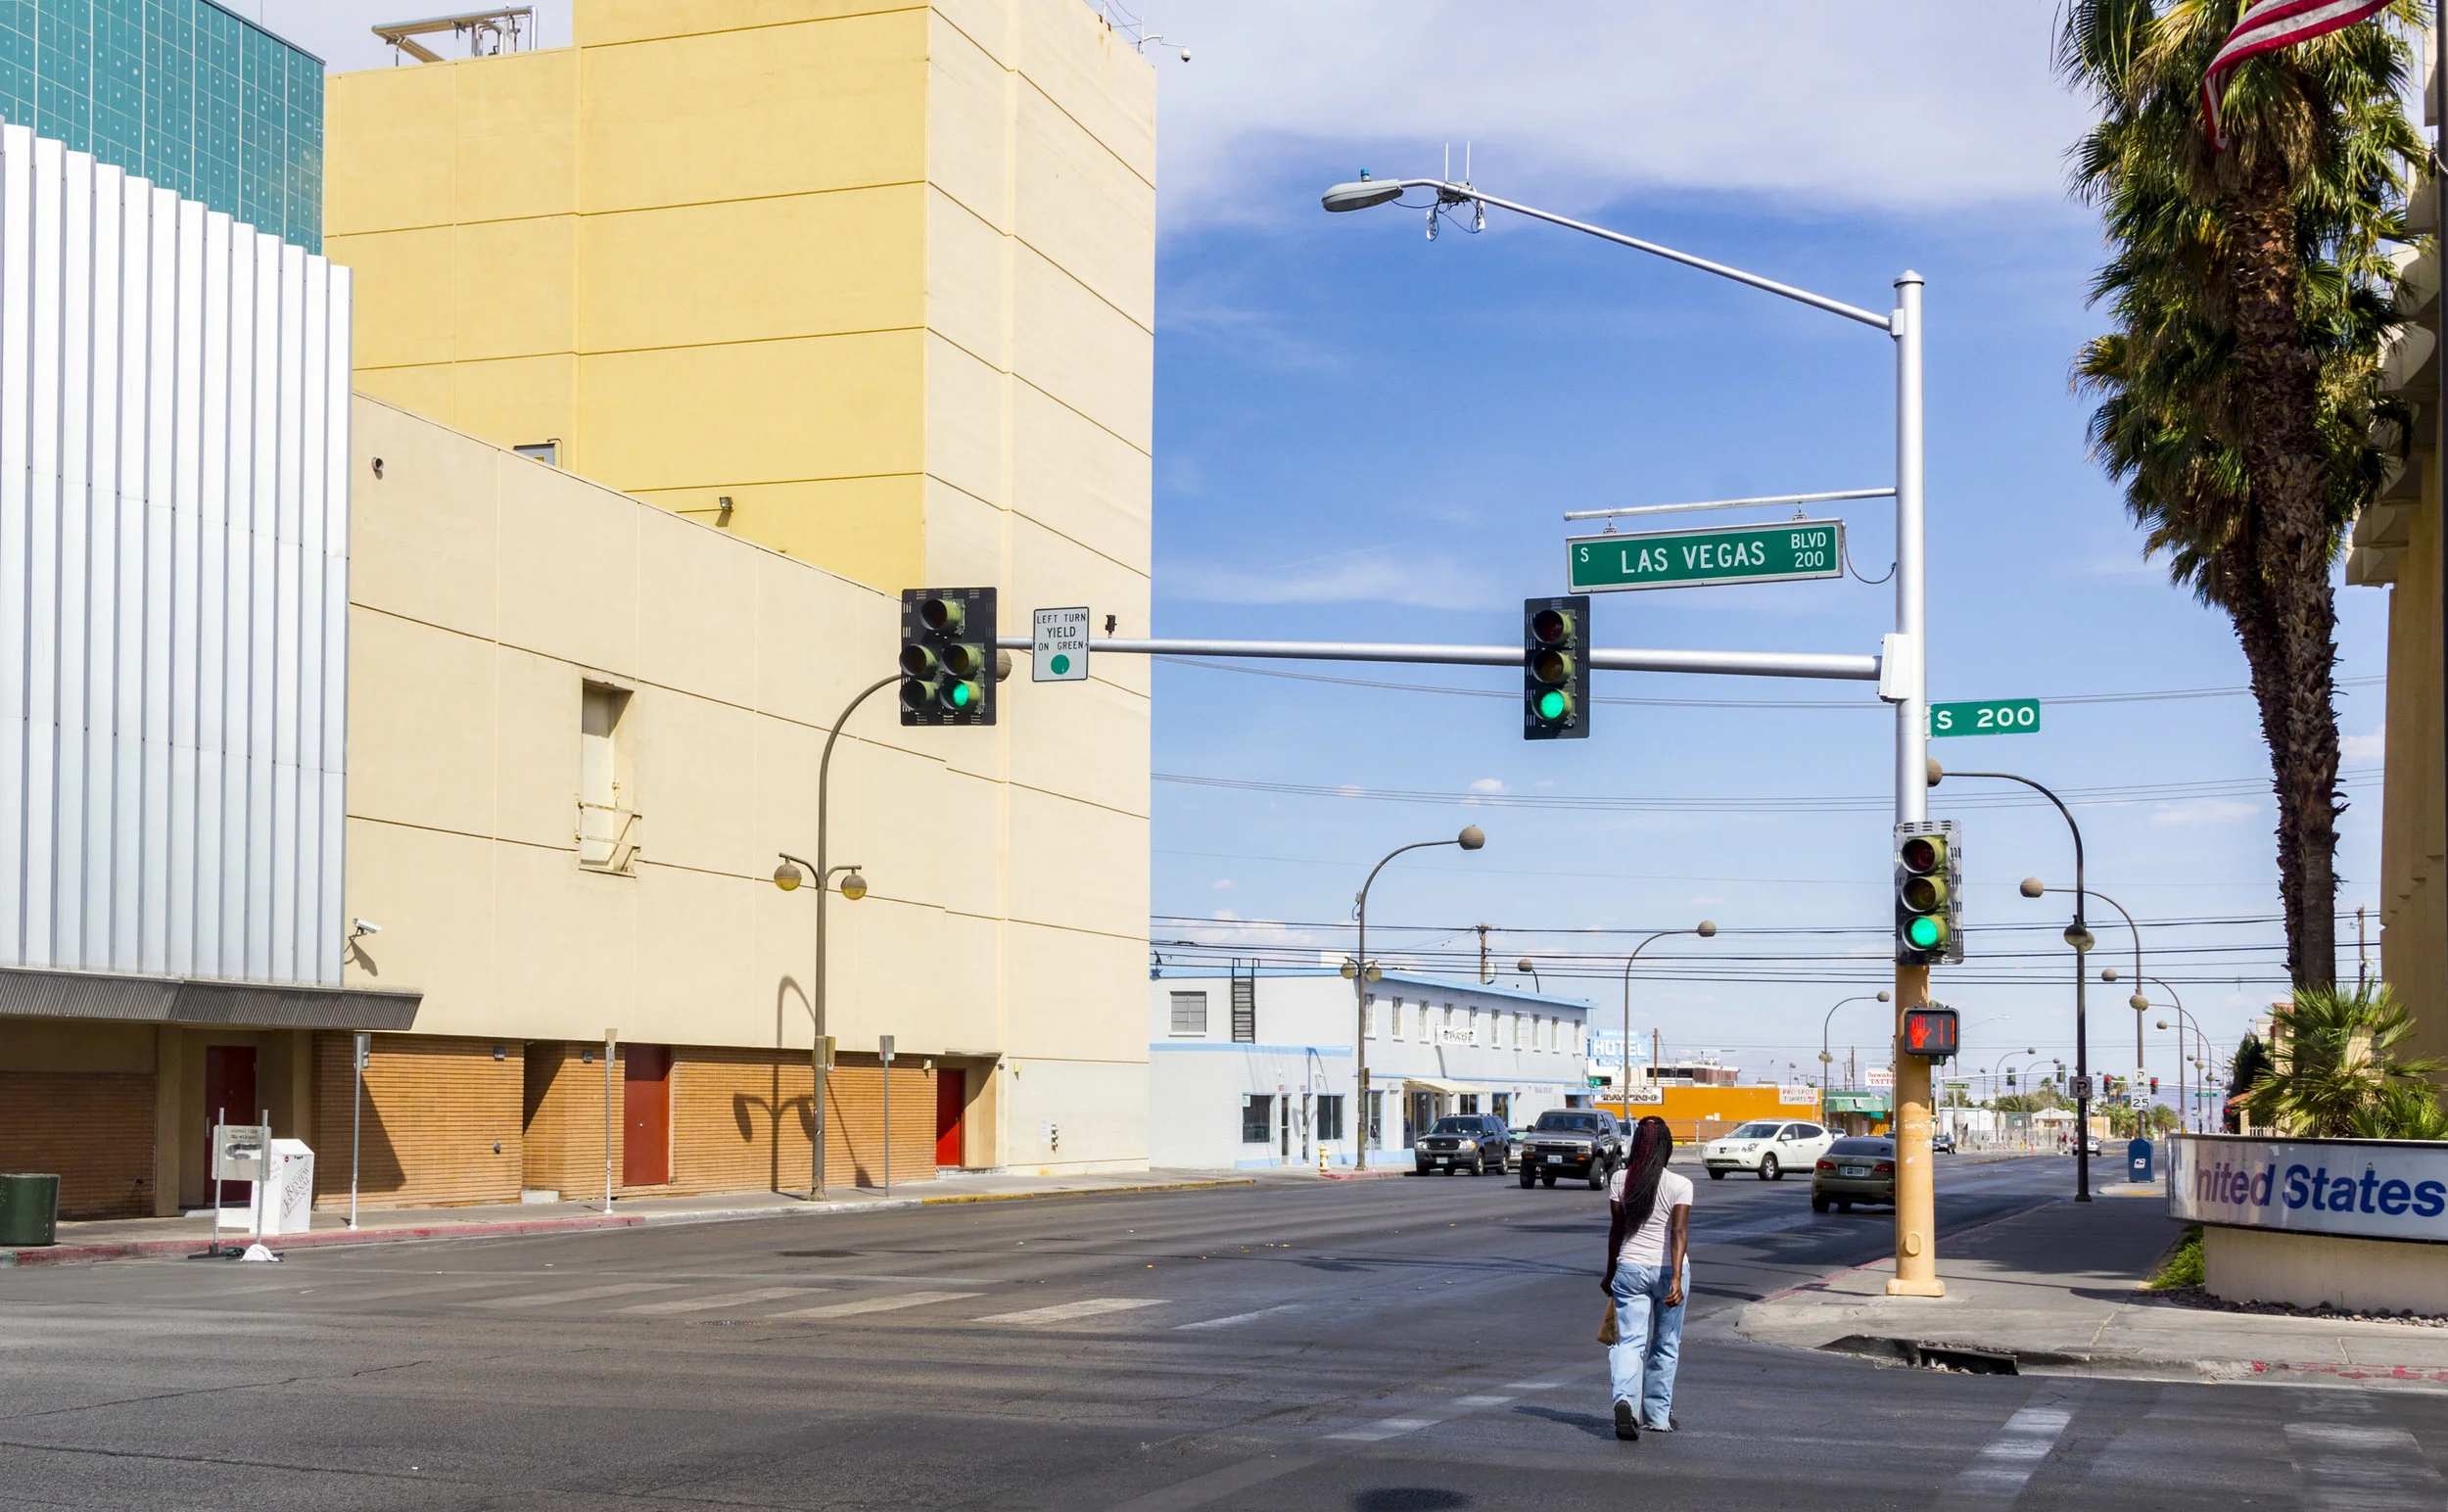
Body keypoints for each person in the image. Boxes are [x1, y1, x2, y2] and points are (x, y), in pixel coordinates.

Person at [1601, 1114, 1689, 1441]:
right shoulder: (1680, 1184)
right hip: (1668, 1271)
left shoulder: (1620, 1180)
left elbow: (1616, 1231)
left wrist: (1610, 1273)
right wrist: (1677, 1278)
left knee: (1630, 1342)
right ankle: (1656, 1416)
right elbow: (1678, 1231)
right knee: (1665, 1346)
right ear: (1666, 1147)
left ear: (1636, 1145)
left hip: (1630, 1268)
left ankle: (1625, 1400)